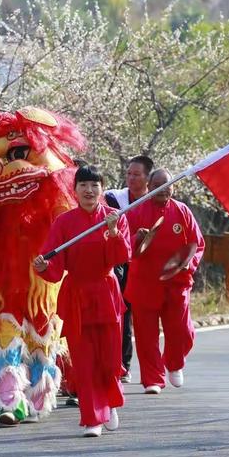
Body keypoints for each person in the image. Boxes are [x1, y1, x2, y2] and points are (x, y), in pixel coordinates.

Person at [33, 165, 131, 437]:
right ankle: (92, 418)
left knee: (110, 359)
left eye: (94, 185)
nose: (89, 191)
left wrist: (113, 233)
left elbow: (121, 258)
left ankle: (110, 402)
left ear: (102, 188)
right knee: (84, 360)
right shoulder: (64, 223)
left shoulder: (114, 218)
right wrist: (41, 266)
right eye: (83, 186)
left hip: (107, 292)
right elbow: (53, 264)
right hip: (77, 294)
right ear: (74, 190)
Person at [124, 169, 204, 394]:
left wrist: (188, 263)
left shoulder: (182, 211)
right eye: (157, 184)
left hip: (176, 281)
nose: (163, 188)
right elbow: (123, 247)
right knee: (145, 334)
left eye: (167, 184)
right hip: (145, 283)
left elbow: (197, 245)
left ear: (173, 187)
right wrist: (136, 239)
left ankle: (174, 362)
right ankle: (152, 379)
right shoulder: (136, 211)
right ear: (149, 186)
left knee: (181, 330)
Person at [104, 155, 154, 383]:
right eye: (129, 174)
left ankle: (147, 368)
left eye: (136, 175)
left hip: (146, 266)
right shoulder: (114, 199)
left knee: (139, 317)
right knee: (120, 312)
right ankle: (121, 364)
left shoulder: (156, 200)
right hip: (121, 265)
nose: (131, 178)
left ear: (148, 178)